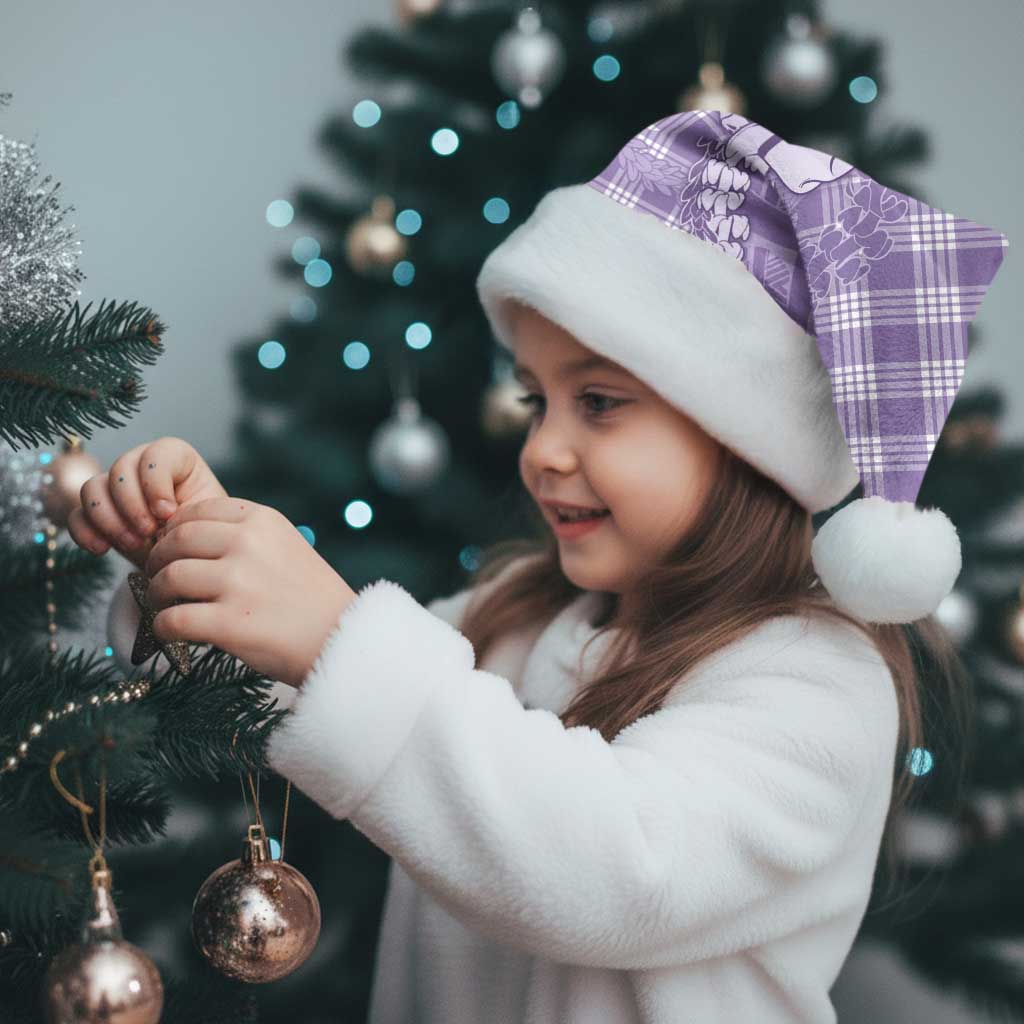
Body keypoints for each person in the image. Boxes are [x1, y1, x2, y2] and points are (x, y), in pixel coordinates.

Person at [72, 110, 1008, 1023]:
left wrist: (335, 637)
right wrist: (190, 565)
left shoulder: (819, 683)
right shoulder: (515, 617)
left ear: (747, 440)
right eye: (535, 401)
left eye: (598, 402)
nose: (543, 450)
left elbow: (615, 869)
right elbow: (304, 694)